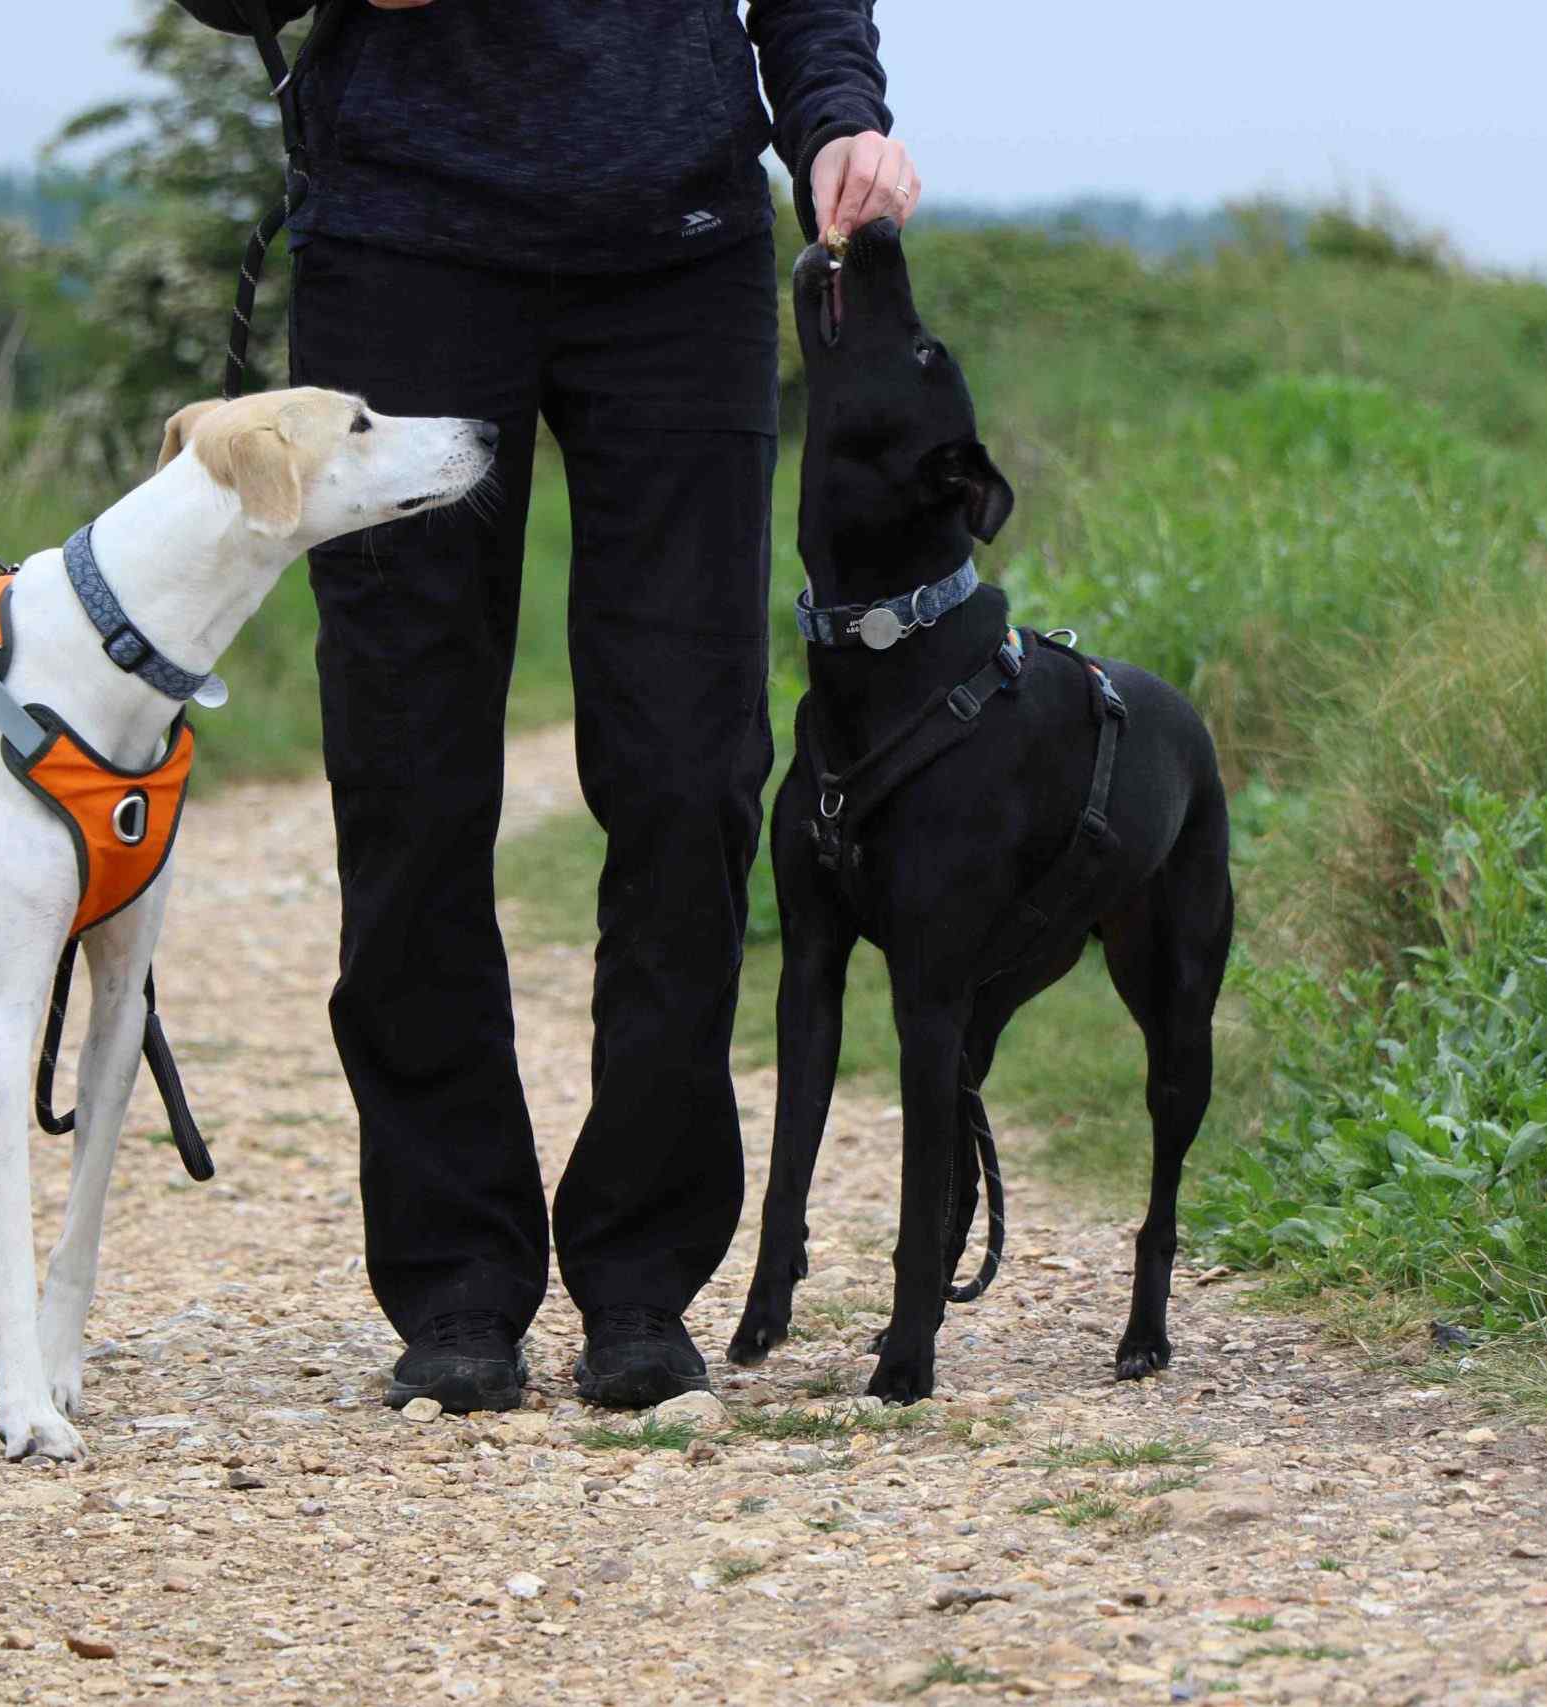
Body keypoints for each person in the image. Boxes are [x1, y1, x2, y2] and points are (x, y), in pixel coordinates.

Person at [173, 0, 921, 1411]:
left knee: (691, 772)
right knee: (407, 773)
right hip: (400, 250)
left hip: (678, 255)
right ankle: (455, 1280)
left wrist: (837, 115)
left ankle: (643, 1277)